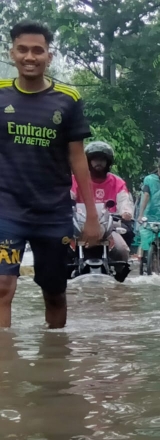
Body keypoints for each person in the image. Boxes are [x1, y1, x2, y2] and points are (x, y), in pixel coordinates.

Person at [0, 21, 100, 328]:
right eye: (23, 49)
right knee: (2, 287)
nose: (30, 57)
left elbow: (78, 158)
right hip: (7, 208)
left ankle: (56, 362)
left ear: (49, 56)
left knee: (54, 292)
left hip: (54, 212)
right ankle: (5, 368)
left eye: (38, 50)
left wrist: (92, 215)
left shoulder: (68, 99)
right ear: (12, 53)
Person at [70, 140, 132, 266]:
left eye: (102, 159)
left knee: (124, 247)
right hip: (80, 225)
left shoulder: (117, 182)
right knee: (59, 247)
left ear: (108, 162)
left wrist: (126, 212)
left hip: (110, 226)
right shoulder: (76, 180)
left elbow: (124, 200)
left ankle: (120, 274)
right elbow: (68, 196)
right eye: (95, 159)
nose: (98, 162)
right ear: (88, 161)